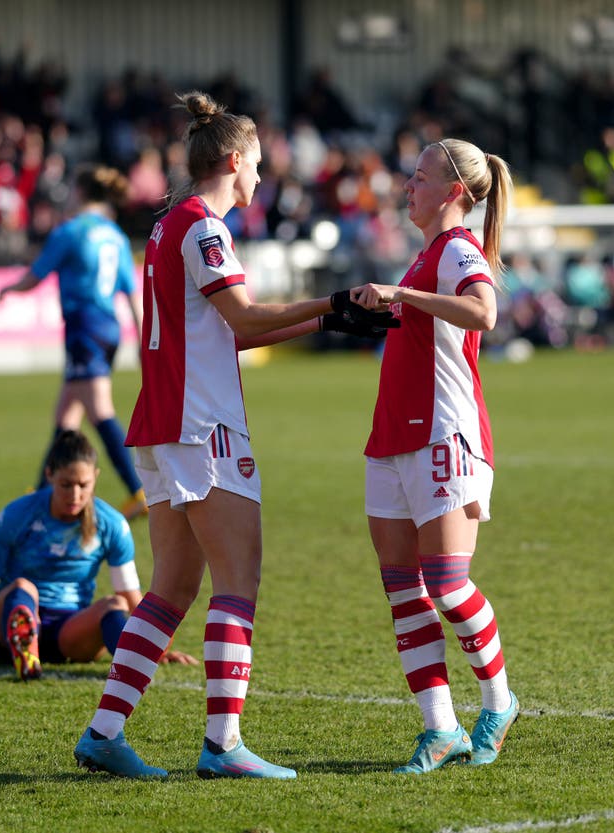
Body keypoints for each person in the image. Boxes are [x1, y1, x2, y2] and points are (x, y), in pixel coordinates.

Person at [72, 91, 395, 781]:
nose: (260, 177)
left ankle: (103, 732)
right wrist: (335, 303)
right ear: (231, 159)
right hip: (203, 427)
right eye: (255, 163)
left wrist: (325, 323)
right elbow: (245, 322)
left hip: (161, 425)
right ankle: (223, 743)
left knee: (171, 589)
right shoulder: (205, 229)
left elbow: (224, 332)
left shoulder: (168, 225)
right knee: (238, 581)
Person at [348, 137, 519, 773]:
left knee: (446, 583)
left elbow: (485, 312)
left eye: (419, 177)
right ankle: (440, 729)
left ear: (452, 193)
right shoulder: (428, 255)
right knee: (403, 588)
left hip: (445, 435)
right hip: (392, 435)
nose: (407, 186)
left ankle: (499, 703)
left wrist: (404, 296)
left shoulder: (457, 250)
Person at [0, 430, 197, 679]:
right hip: (8, 624)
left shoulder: (111, 523)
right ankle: (26, 649)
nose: (75, 494)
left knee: (113, 605)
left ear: (95, 478)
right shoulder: (18, 514)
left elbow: (129, 596)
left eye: (83, 485)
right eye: (66, 485)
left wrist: (156, 650)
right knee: (22, 586)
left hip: (71, 631)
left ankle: (134, 665)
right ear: (49, 475)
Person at [0, 165, 149, 519]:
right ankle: (40, 496)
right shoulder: (115, 235)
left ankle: (138, 488)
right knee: (67, 415)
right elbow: (131, 293)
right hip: (109, 327)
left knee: (99, 409)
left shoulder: (70, 232)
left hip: (83, 325)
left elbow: (35, 276)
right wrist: (142, 338)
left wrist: (8, 288)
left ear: (79, 193)